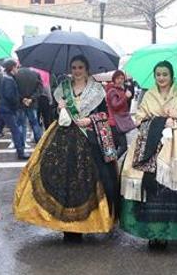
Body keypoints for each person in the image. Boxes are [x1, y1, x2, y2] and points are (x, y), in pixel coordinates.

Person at [13, 55, 118, 242]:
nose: (76, 71)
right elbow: (53, 114)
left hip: (88, 139)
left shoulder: (97, 90)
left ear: (87, 69)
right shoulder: (63, 89)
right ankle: (67, 227)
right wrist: (59, 108)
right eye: (74, 67)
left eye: (80, 67)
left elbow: (104, 114)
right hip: (63, 136)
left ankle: (87, 223)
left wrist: (90, 120)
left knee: (88, 181)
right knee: (62, 178)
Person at [118, 61, 177, 249]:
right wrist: (160, 121)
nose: (162, 78)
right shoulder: (149, 95)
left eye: (165, 74)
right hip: (149, 144)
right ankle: (151, 231)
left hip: (176, 146)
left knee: (172, 186)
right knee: (150, 186)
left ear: (172, 76)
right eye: (158, 74)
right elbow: (139, 119)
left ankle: (168, 230)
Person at [0, 60, 28, 160]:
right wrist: (17, 102)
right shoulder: (9, 80)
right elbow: (10, 96)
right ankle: (20, 152)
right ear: (12, 68)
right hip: (8, 109)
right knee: (15, 130)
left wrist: (20, 99)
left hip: (4, 108)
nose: (18, 69)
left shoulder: (6, 78)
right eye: (16, 67)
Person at [105, 70, 133, 157]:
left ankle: (112, 166)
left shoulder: (120, 90)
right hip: (115, 122)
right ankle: (112, 163)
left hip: (117, 122)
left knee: (115, 146)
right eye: (118, 78)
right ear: (114, 79)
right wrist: (126, 97)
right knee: (123, 146)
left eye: (122, 78)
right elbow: (115, 105)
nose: (120, 80)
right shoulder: (113, 91)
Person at [16, 66, 44, 144]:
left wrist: (22, 99)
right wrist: (31, 99)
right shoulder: (35, 74)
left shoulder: (16, 75)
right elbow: (40, 89)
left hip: (20, 104)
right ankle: (38, 141)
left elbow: (14, 89)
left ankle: (21, 143)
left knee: (21, 124)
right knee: (34, 123)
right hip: (32, 103)